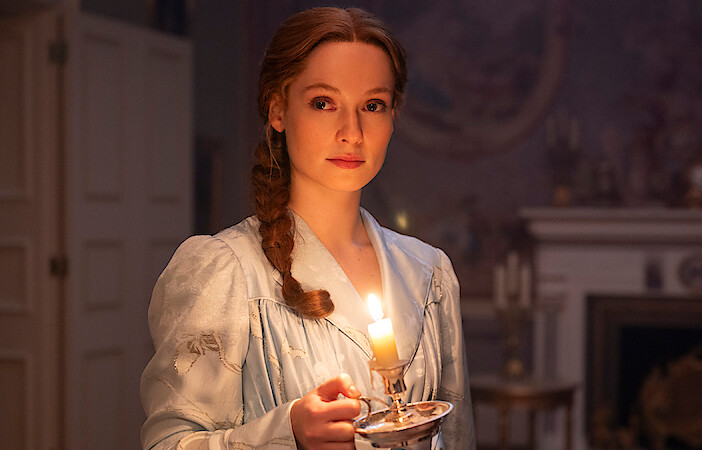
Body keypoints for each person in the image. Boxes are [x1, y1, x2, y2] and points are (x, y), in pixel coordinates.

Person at [140, 7, 475, 450]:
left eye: (372, 105)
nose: (352, 132)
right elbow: (168, 443)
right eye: (323, 103)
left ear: (393, 115)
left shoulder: (429, 273)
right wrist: (287, 432)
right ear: (277, 109)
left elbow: (458, 438)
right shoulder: (226, 272)